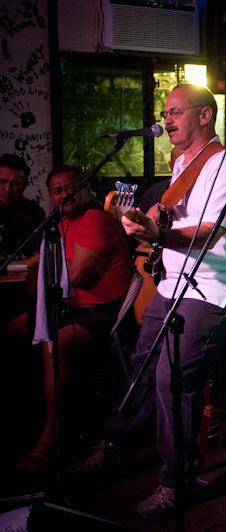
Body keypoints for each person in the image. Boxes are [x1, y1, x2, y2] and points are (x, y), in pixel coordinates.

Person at [72, 83, 226, 521]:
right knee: (141, 364)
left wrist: (159, 234)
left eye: (175, 111)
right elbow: (176, 219)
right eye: (165, 112)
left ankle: (178, 482)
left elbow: (211, 231)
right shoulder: (182, 165)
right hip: (176, 282)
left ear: (205, 116)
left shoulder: (225, 163)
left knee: (174, 378)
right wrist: (145, 220)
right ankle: (118, 447)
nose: (166, 119)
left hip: (213, 287)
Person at [11, 165, 134, 471]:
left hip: (106, 313)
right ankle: (24, 420)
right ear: (51, 198)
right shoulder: (61, 224)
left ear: (86, 189)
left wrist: (47, 264)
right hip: (73, 308)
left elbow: (76, 274)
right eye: (57, 190)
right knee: (13, 329)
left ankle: (50, 438)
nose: (66, 194)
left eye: (72, 187)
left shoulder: (94, 218)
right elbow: (38, 276)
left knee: (56, 343)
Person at [0, 153, 45, 260]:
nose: (8, 189)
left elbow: (36, 255)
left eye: (15, 184)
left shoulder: (34, 213)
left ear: (24, 186)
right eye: (2, 182)